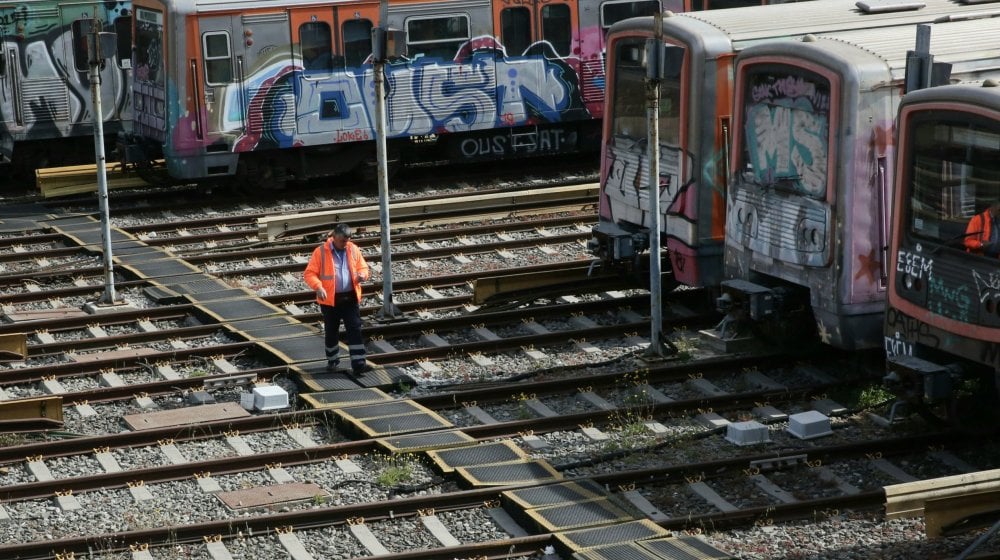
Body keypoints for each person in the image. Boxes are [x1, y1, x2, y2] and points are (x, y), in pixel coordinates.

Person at [303, 223, 374, 375]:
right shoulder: (321, 251)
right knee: (331, 331)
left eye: (347, 240)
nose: (345, 244)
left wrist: (363, 275)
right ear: (334, 237)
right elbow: (309, 273)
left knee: (354, 329)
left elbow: (363, 267)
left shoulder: (353, 249)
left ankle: (359, 364)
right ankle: (332, 360)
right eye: (342, 241)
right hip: (330, 299)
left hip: (350, 297)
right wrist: (318, 287)